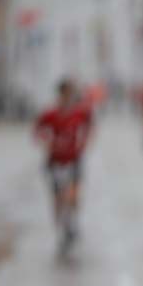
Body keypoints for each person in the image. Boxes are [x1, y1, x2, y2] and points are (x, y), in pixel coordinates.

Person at [34, 78, 93, 255]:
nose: (67, 98)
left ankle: (72, 221)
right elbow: (38, 131)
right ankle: (61, 226)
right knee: (58, 197)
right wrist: (46, 143)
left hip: (73, 159)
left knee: (73, 194)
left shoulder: (80, 113)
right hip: (55, 160)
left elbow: (89, 126)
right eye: (64, 94)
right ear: (59, 95)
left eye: (70, 94)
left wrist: (85, 142)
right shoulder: (50, 114)